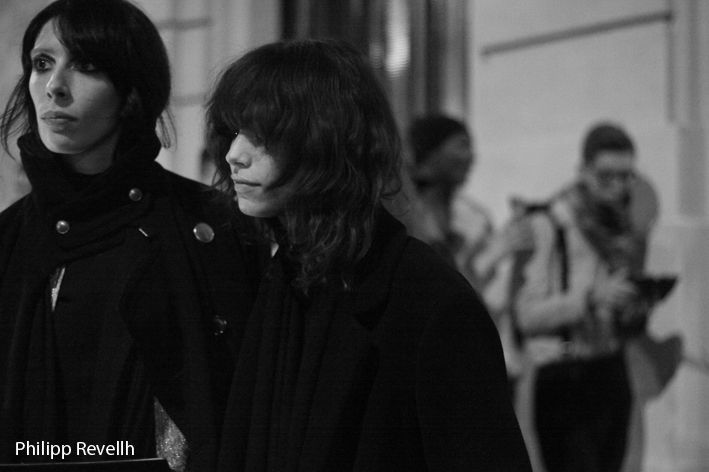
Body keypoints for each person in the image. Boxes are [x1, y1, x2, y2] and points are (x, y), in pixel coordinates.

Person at [205, 39, 532, 472]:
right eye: (234, 131)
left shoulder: (427, 299)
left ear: (326, 141)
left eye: (262, 135)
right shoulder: (283, 279)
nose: (234, 155)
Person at [0, 0, 258, 469]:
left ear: (132, 91)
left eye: (86, 66)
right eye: (41, 64)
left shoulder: (210, 227)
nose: (54, 87)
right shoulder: (10, 237)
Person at [512, 123, 666, 472]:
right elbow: (527, 315)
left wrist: (636, 306)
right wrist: (589, 298)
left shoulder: (621, 230)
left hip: (610, 369)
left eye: (626, 177)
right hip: (564, 376)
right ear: (583, 171)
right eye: (606, 176)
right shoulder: (550, 224)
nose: (618, 186)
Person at [405, 115, 534, 386]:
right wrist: (495, 253)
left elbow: (490, 300)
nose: (471, 156)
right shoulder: (407, 213)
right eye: (461, 145)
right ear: (432, 152)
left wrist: (517, 259)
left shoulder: (473, 217)